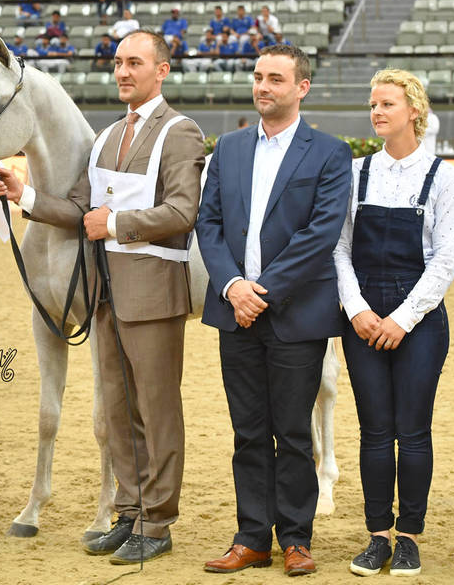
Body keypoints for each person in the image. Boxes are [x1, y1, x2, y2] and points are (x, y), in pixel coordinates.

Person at [0, 30, 205, 565]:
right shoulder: (107, 137)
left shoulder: (180, 132)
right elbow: (80, 207)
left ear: (163, 70)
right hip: (106, 294)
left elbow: (183, 212)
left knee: (157, 411)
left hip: (154, 292)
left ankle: (158, 521)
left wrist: (118, 223)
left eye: (136, 62)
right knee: (119, 409)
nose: (124, 72)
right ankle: (128, 512)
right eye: (118, 62)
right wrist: (27, 196)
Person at [196, 45, 352, 576]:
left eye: (276, 79)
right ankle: (251, 538)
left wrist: (260, 292)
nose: (263, 87)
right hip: (234, 311)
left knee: (293, 431)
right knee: (248, 430)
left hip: (295, 314)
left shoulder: (328, 153)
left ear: (301, 88)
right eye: (258, 77)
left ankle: (296, 539)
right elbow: (208, 225)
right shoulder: (230, 148)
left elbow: (320, 234)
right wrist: (233, 286)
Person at [333, 70, 454, 577]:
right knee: (374, 432)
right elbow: (339, 248)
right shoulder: (356, 173)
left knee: (415, 430)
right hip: (362, 317)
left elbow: (446, 259)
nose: (376, 111)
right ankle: (378, 536)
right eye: (372, 104)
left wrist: (402, 319)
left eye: (386, 103)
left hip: (420, 319)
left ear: (413, 111)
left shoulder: (443, 177)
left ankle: (409, 536)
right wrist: (358, 310)